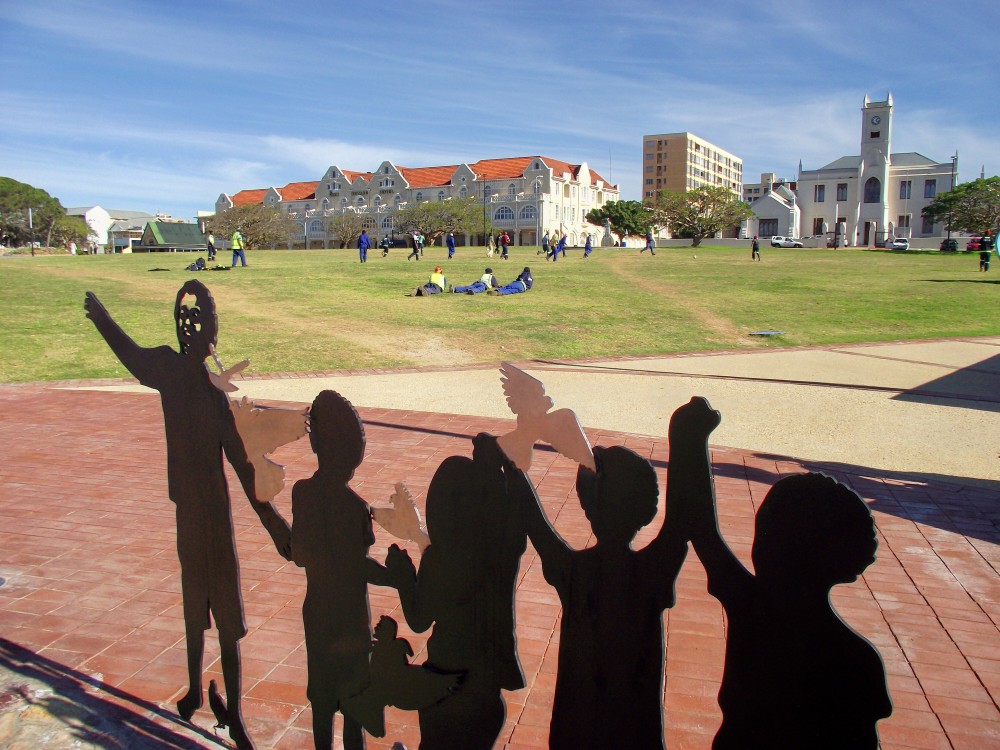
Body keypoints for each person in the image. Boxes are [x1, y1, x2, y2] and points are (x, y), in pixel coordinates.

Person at [84, 282, 293, 750]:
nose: (189, 326)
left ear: (210, 334)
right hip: (193, 510)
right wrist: (103, 320)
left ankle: (229, 711)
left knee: (224, 612)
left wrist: (274, 523)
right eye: (185, 317)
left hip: (211, 513)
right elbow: (132, 356)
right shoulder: (172, 370)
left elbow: (241, 463)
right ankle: (198, 691)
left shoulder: (208, 392)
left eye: (197, 320)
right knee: (197, 601)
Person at [670, 397, 892, 749]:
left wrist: (688, 441)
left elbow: (702, 528)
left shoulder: (753, 609)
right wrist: (690, 443)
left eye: (766, 536)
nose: (758, 547)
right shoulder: (855, 659)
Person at [507, 435, 690, 749]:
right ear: (645, 510)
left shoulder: (575, 571)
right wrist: (689, 439)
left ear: (588, 507)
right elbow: (682, 516)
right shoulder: (652, 571)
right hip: (633, 730)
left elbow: (534, 520)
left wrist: (510, 464)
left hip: (577, 727)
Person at [386, 434, 528, 750]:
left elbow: (419, 620)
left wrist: (403, 576)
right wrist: (498, 469)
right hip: (487, 690)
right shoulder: (501, 555)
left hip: (446, 683)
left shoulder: (441, 560)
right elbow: (516, 513)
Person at [292, 390, 398, 750]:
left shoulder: (302, 493)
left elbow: (300, 555)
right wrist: (397, 577)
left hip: (319, 614)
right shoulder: (355, 508)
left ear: (316, 444)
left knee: (322, 700)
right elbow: (359, 567)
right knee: (354, 702)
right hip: (351, 620)